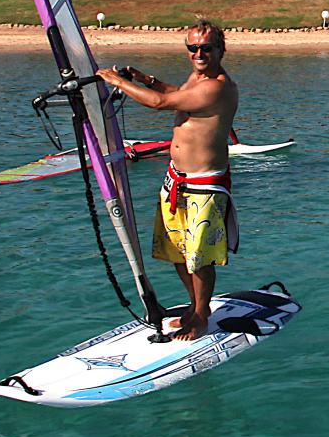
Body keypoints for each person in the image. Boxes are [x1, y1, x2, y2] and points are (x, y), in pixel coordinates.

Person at [98, 21, 240, 340]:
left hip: (204, 185)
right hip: (176, 180)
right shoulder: (196, 78)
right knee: (177, 252)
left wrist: (116, 81)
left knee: (199, 258)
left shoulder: (217, 86)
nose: (199, 53)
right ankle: (194, 306)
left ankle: (202, 315)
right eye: (192, 48)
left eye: (206, 48)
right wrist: (147, 79)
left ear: (221, 50)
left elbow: (159, 103)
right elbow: (175, 94)